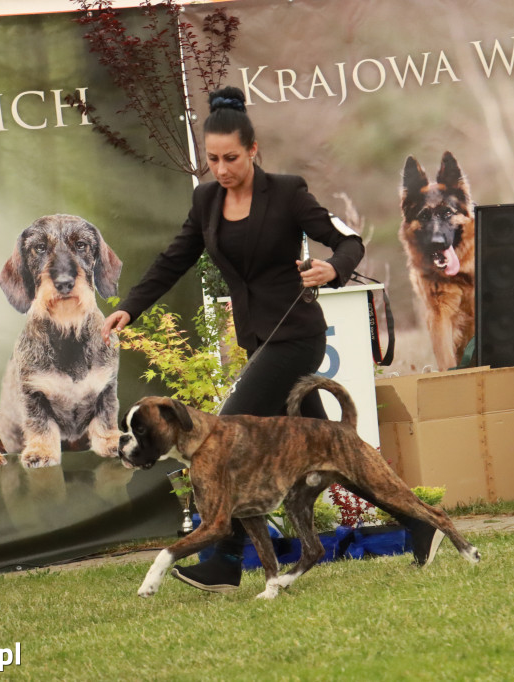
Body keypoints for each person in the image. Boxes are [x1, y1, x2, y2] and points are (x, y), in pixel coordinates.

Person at [102, 86, 442, 594]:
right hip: (259, 341)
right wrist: (130, 306)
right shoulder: (206, 201)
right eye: (212, 159)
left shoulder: (287, 192)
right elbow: (175, 258)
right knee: (339, 456)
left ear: (253, 150)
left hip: (296, 338)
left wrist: (333, 268)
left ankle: (223, 560)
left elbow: (349, 241)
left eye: (231, 158)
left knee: (220, 439)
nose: (221, 169)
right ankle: (421, 525)